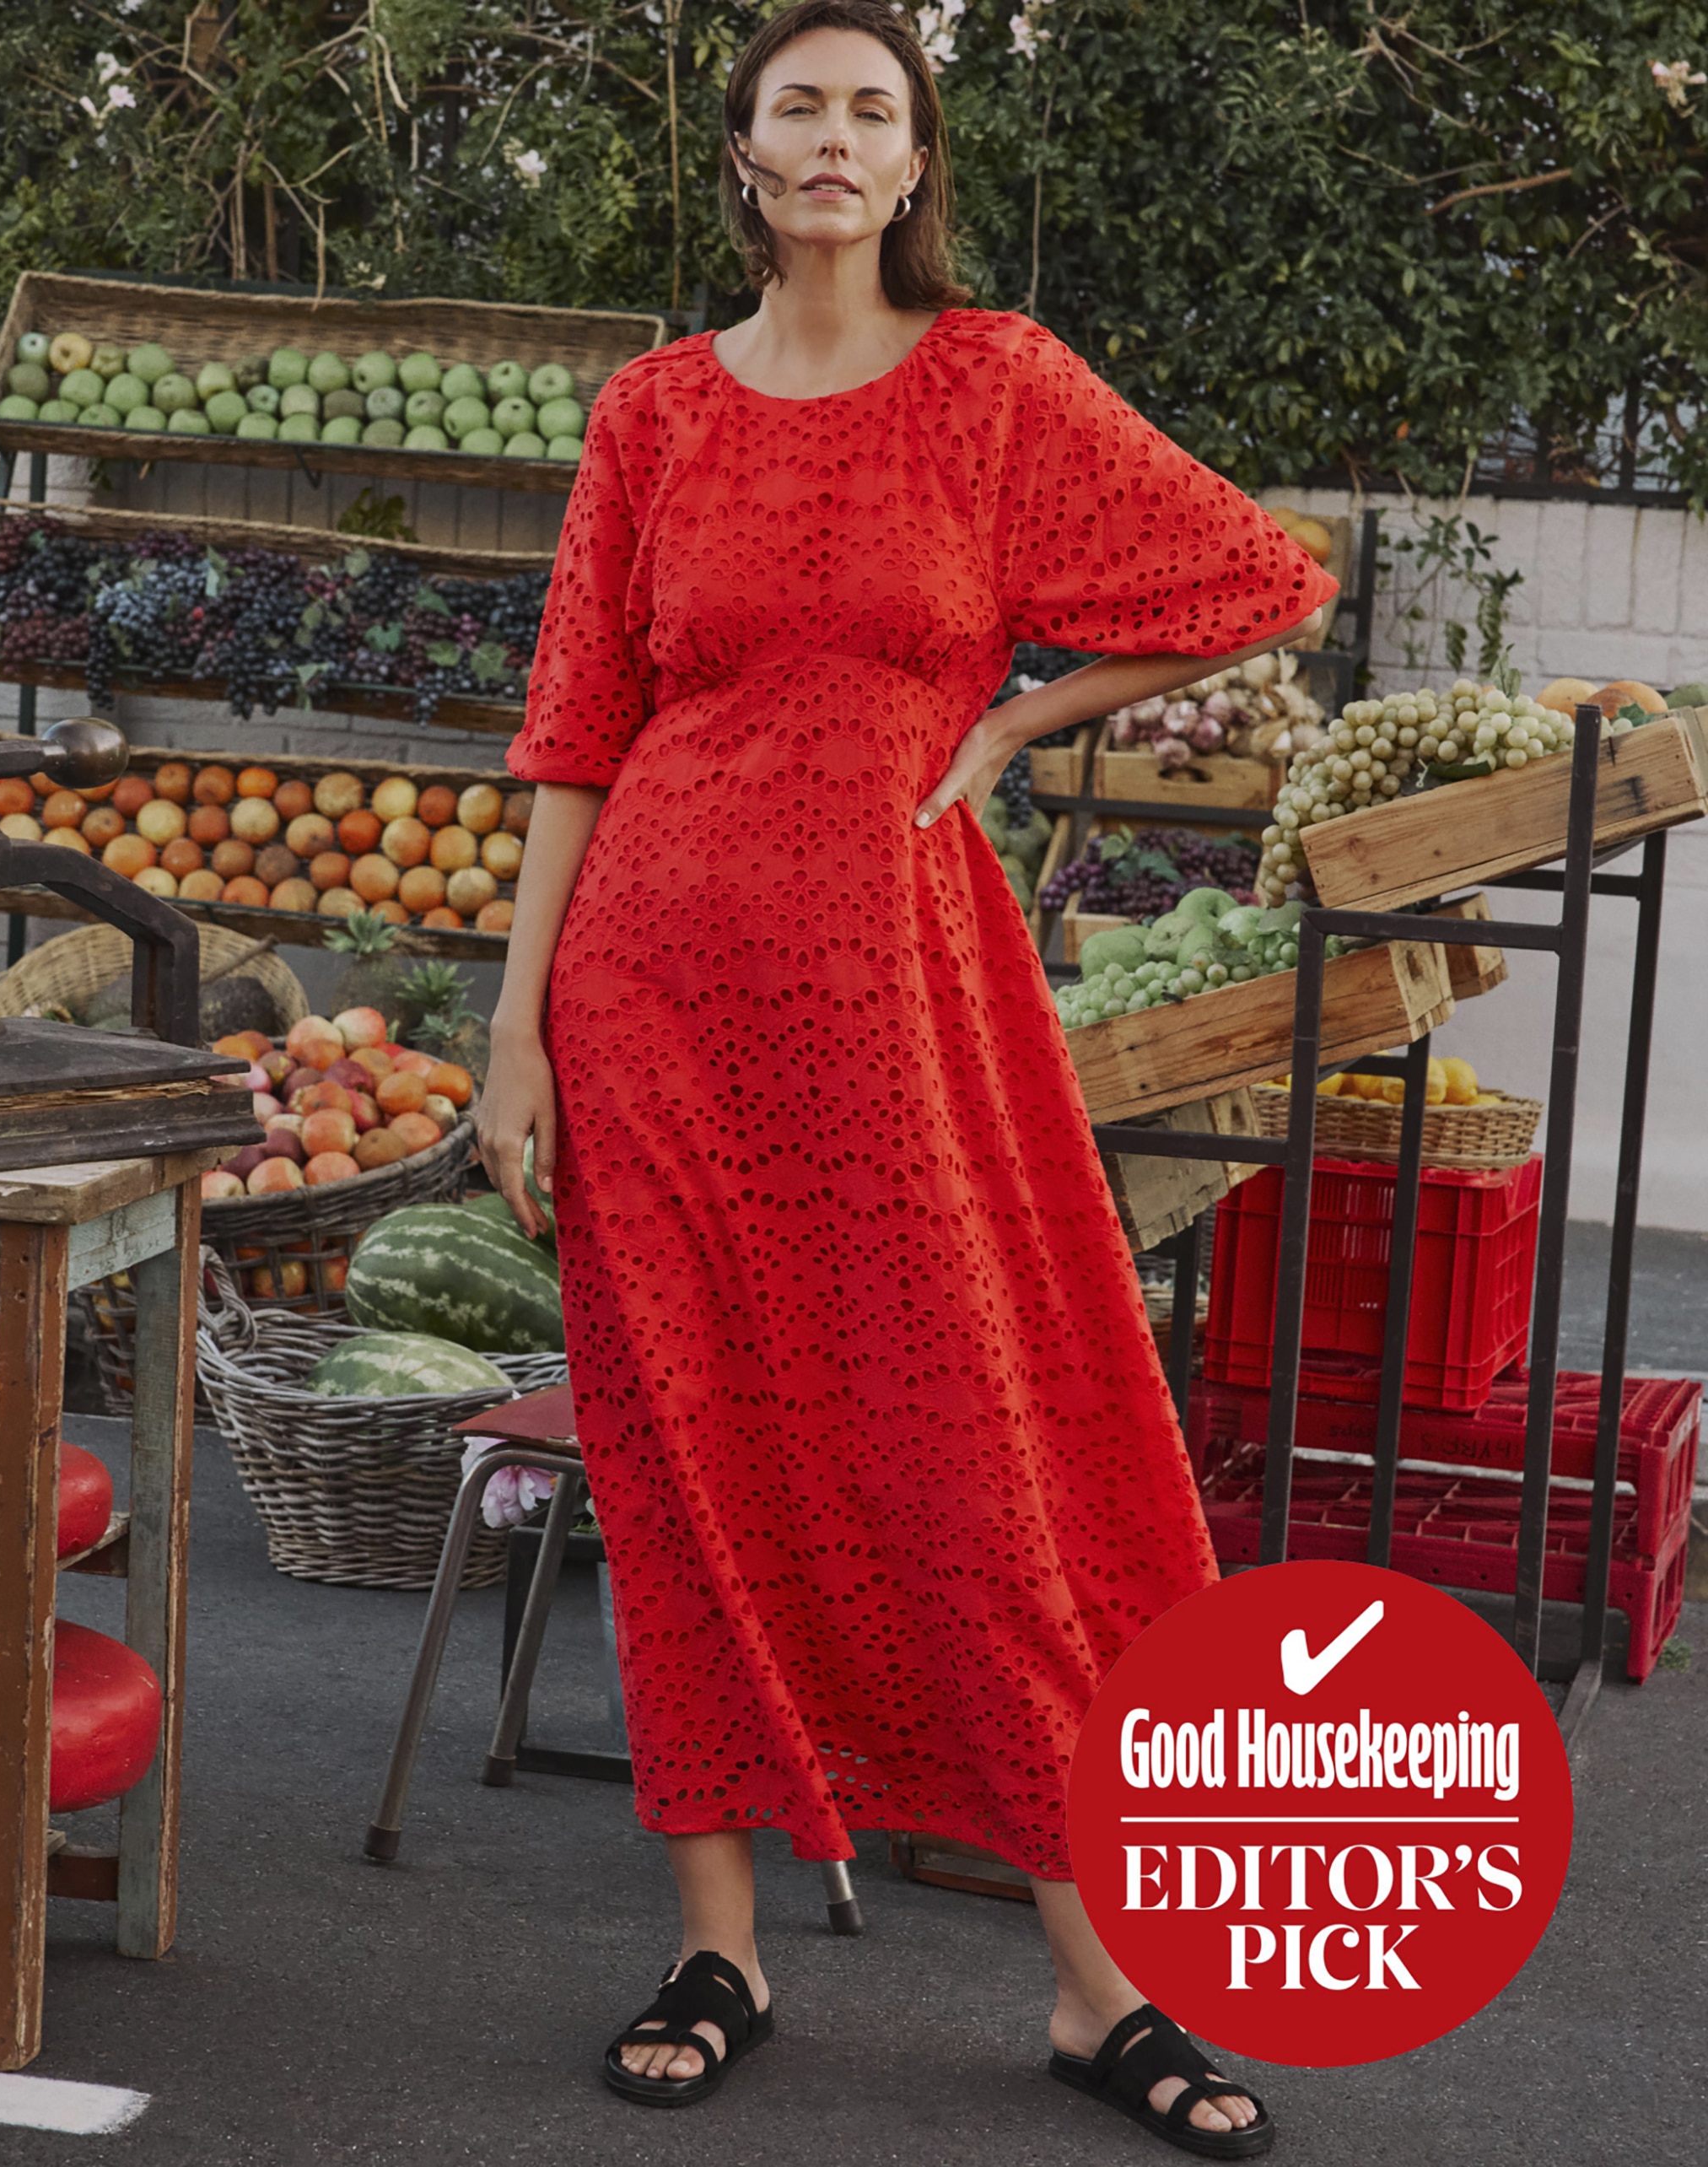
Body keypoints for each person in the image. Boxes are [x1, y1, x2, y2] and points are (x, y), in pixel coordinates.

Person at [481, 0, 1334, 2151]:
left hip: (893, 995)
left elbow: (1256, 577)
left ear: (913, 157)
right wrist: (514, 1037)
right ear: (747, 155)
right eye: (800, 107)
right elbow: (575, 729)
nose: (837, 139)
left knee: (958, 1451)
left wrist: (1031, 717)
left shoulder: (992, 383)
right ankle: (716, 1945)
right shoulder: (653, 414)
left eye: (876, 107)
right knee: (684, 1464)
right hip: (649, 996)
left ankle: (1095, 1993)